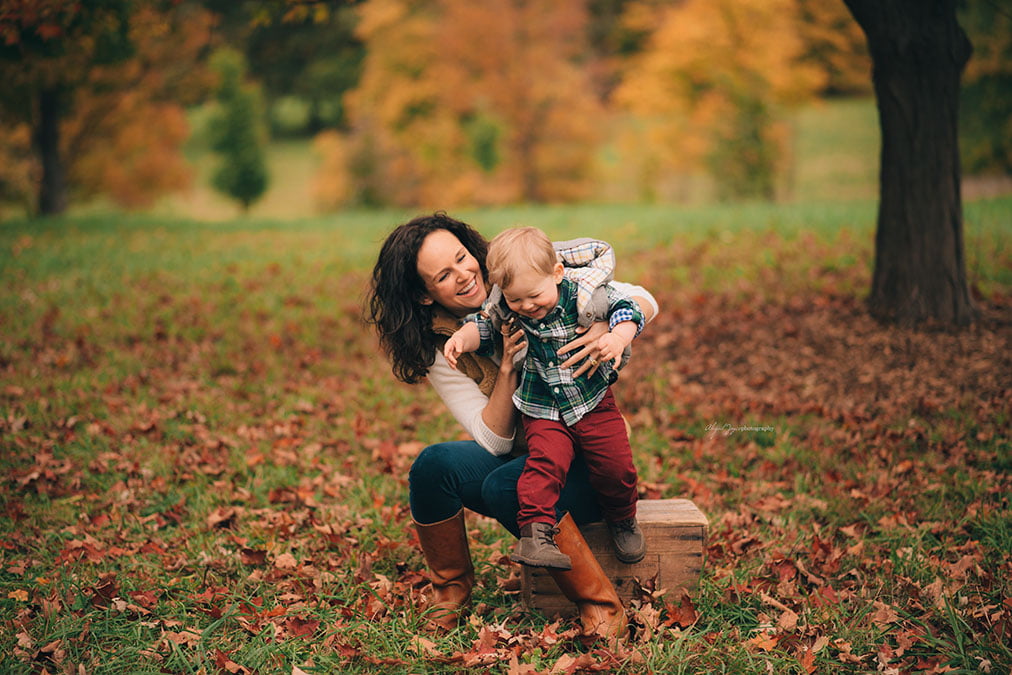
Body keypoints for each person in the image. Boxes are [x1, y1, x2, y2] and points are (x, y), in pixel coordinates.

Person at [365, 212, 659, 639]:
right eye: (444, 275)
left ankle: (599, 605)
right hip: (531, 451)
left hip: (587, 459)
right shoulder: (443, 345)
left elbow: (642, 296)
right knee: (433, 465)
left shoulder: (521, 269)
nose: (465, 275)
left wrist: (601, 325)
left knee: (505, 485)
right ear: (425, 296)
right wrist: (506, 368)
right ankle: (451, 593)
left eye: (464, 258)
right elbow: (492, 440)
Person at [442, 226, 646, 571]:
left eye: (533, 295)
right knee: (543, 467)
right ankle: (535, 534)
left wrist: (617, 337)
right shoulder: (509, 309)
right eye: (515, 299)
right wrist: (461, 338)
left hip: (592, 402)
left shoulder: (584, 294)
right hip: (543, 408)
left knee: (616, 466)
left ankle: (623, 518)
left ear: (557, 273)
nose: (527, 306)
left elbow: (628, 308)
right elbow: (485, 326)